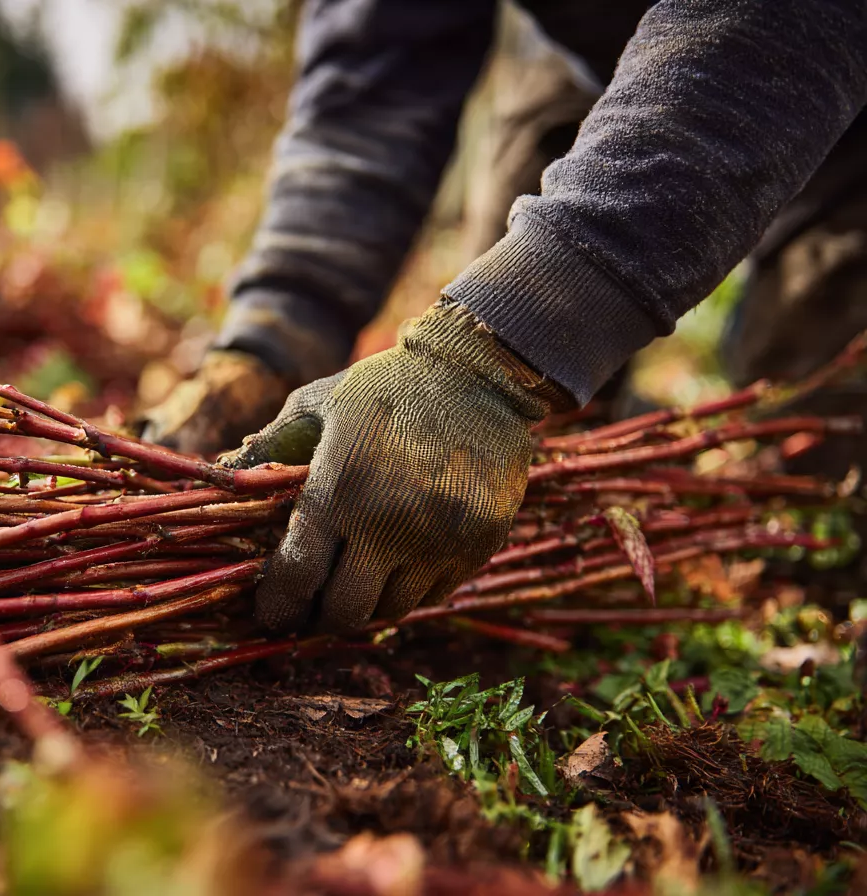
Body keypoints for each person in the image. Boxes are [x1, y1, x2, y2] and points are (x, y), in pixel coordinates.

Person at [139, 0, 867, 633]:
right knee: (501, 293)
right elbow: (369, 89)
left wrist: (495, 355)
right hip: (590, 51)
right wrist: (274, 333)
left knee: (821, 476)